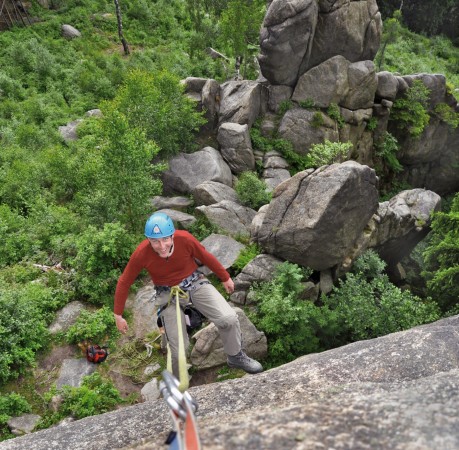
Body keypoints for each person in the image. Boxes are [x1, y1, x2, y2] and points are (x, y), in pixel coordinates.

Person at [113, 212, 263, 378]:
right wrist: (118, 315)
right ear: (148, 240)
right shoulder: (142, 253)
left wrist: (225, 277)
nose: (161, 246)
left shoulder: (184, 239)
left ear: (172, 236)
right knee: (178, 349)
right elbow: (124, 281)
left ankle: (235, 356)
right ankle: (178, 382)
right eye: (155, 241)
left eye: (165, 239)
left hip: (194, 283)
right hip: (167, 293)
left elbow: (205, 256)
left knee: (229, 318)